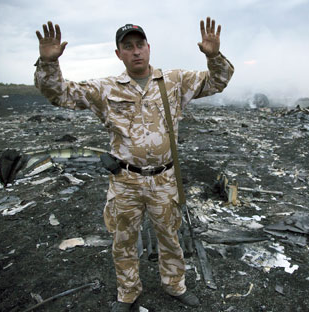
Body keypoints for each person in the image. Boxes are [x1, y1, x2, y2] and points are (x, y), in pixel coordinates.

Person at [34, 18, 234, 311]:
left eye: (140, 45)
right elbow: (60, 94)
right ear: (119, 54)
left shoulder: (175, 82)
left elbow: (218, 81)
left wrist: (213, 55)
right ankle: (127, 293)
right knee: (123, 240)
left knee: (170, 237)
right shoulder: (106, 88)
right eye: (128, 47)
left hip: (164, 179)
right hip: (125, 181)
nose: (136, 51)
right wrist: (48, 62)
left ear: (149, 48)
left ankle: (174, 285)